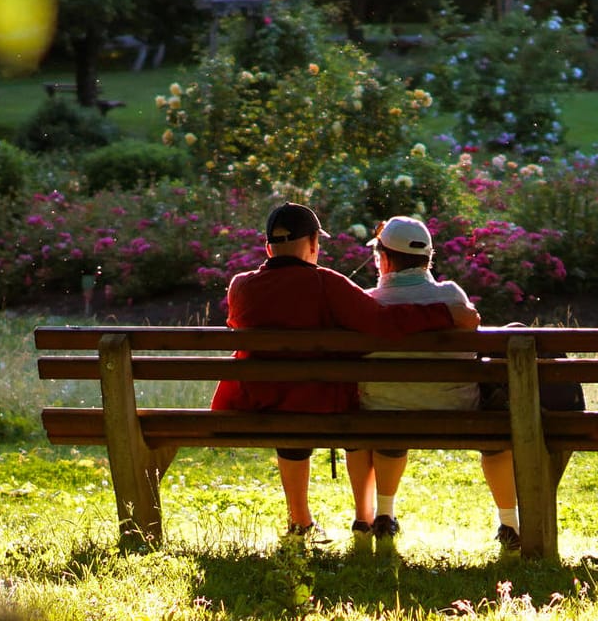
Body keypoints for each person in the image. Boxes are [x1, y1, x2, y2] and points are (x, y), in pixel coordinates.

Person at [211, 203, 480, 541]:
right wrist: (445, 313)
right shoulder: (326, 283)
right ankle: (365, 518)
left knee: (289, 404)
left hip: (262, 404)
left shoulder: (240, 286)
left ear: (268, 247)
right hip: (324, 405)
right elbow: (381, 322)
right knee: (345, 403)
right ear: (312, 244)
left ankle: (300, 521)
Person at [348, 215, 521, 551]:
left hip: (382, 412)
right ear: (428, 259)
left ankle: (383, 515)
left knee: (389, 416)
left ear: (382, 258)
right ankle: (510, 523)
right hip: (457, 408)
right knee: (497, 436)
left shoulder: (366, 302)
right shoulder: (452, 296)